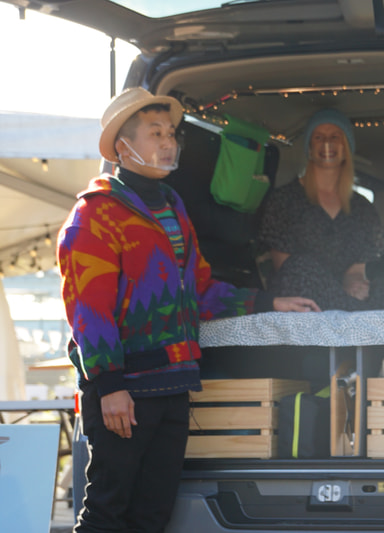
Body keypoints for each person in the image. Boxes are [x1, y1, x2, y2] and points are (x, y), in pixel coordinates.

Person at [57, 87, 319, 532]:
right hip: (125, 392)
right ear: (123, 147)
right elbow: (89, 312)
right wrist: (109, 385)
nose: (168, 143)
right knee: (105, 510)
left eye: (172, 133)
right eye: (155, 133)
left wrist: (265, 302)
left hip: (173, 388)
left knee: (153, 514)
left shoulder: (173, 207)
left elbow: (199, 290)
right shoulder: (96, 216)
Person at [257, 108, 384, 311]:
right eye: (319, 137)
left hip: (347, 301)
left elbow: (357, 270)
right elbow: (286, 269)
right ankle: (348, 331)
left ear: (346, 147)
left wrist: (354, 282)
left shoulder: (362, 208)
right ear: (310, 146)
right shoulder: (284, 199)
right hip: (304, 299)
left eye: (335, 137)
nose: (327, 143)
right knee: (301, 267)